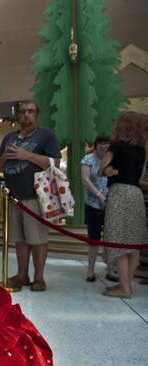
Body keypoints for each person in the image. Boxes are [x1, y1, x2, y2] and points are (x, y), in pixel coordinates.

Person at [0, 100, 61, 292]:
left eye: (30, 111)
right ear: (18, 115)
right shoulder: (8, 138)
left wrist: (26, 155)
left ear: (36, 115)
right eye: (23, 111)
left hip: (35, 196)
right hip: (13, 197)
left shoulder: (46, 135)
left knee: (37, 239)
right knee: (20, 239)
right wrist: (5, 156)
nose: (26, 115)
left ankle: (39, 278)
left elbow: (54, 162)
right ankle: (22, 274)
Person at [98, 111, 148, 298]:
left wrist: (107, 171)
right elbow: (139, 177)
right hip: (136, 195)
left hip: (119, 193)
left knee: (117, 241)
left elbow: (101, 169)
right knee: (133, 243)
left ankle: (124, 288)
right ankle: (127, 285)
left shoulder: (116, 146)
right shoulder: (142, 150)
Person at [81, 133, 117, 283]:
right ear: (96, 144)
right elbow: (85, 180)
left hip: (112, 204)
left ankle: (110, 270)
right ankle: (90, 271)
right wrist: (100, 197)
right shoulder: (88, 159)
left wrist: (109, 198)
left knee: (110, 238)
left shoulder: (114, 160)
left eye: (106, 143)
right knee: (93, 239)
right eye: (101, 143)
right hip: (92, 204)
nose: (104, 146)